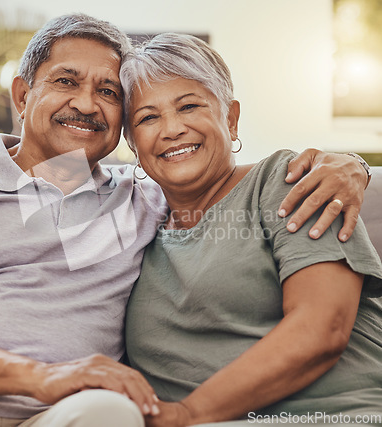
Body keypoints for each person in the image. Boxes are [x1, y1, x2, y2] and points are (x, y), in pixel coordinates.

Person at [0, 13, 373, 427]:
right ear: (22, 95)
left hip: (67, 412)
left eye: (109, 92)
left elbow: (222, 182)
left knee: (108, 412)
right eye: (66, 81)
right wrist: (41, 375)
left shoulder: (143, 196)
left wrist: (350, 165)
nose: (87, 103)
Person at [121, 33, 382, 427]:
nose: (172, 129)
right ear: (132, 143)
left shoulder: (286, 179)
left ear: (230, 118)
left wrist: (189, 414)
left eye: (189, 105)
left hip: (341, 415)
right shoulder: (133, 221)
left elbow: (323, 328)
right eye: (147, 117)